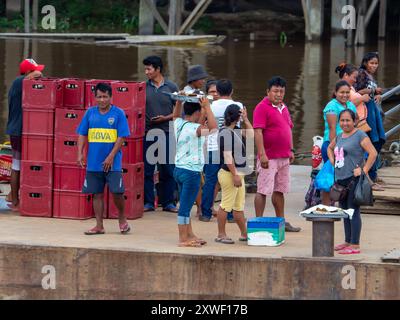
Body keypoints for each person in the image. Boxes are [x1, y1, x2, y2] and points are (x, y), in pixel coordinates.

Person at [77, 83, 131, 235]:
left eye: (105, 97)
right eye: (99, 97)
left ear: (111, 97)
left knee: (117, 192)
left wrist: (111, 157)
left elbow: (121, 137)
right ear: (95, 98)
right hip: (94, 162)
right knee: (97, 194)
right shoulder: (89, 113)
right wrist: (79, 153)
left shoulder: (118, 113)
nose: (102, 100)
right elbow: (82, 133)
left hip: (113, 163)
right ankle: (99, 225)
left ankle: (122, 219)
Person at [253, 76, 300, 232]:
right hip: (269, 157)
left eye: (281, 91)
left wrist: (291, 149)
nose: (279, 94)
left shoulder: (284, 107)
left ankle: (281, 221)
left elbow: (289, 128)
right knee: (263, 190)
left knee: (280, 189)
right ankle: (258, 222)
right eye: (275, 91)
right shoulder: (261, 107)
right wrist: (262, 154)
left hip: (284, 156)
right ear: (268, 91)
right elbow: (258, 132)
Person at [327, 109, 377, 254]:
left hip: (353, 180)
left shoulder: (359, 135)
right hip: (341, 180)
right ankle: (347, 241)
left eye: (348, 120)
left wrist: (364, 169)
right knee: (344, 212)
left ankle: (355, 245)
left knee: (353, 211)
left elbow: (373, 153)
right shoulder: (340, 136)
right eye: (342, 120)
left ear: (355, 121)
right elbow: (330, 148)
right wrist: (331, 159)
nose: (345, 123)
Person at [172, 97, 217, 247]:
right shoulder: (196, 129)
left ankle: (189, 234)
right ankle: (183, 239)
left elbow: (175, 115)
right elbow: (214, 128)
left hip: (178, 170)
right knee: (185, 209)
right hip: (191, 173)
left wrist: (178, 100)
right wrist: (208, 107)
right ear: (197, 113)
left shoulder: (179, 123)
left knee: (186, 203)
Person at [199, 79, 242, 222]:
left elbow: (203, 124)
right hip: (230, 148)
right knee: (230, 180)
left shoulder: (210, 105)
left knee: (210, 181)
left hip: (212, 147)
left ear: (217, 91)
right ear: (232, 91)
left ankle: (205, 214)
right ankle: (230, 215)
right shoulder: (238, 106)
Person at [6, 58, 45, 211]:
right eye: (33, 71)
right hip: (17, 131)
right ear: (28, 72)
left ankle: (12, 195)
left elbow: (39, 74)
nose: (39, 75)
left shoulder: (24, 82)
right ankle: (15, 202)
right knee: (16, 166)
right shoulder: (19, 82)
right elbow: (39, 74)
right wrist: (33, 75)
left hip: (22, 130)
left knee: (22, 165)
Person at [143, 56, 179, 213]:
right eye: (145, 69)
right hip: (148, 133)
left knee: (168, 170)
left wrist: (164, 118)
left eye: (149, 69)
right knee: (147, 170)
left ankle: (168, 202)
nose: (146, 72)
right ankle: (148, 203)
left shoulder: (171, 87)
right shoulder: (143, 87)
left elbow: (178, 112)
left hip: (167, 133)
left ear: (158, 69)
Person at [215, 104, 253, 244]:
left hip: (238, 173)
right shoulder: (225, 133)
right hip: (230, 174)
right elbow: (227, 156)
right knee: (225, 205)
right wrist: (235, 174)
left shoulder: (235, 130)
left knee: (238, 206)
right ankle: (221, 234)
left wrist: (247, 119)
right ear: (237, 117)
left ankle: (244, 233)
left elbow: (250, 135)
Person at [320, 80, 357, 205]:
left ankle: (341, 204)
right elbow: (332, 129)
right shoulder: (331, 106)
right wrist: (335, 150)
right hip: (332, 145)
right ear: (335, 93)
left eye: (347, 92)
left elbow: (355, 124)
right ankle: (326, 207)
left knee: (345, 178)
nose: (345, 95)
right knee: (330, 178)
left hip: (348, 147)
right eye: (342, 92)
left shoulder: (350, 105)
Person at [354, 52, 386, 189]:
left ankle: (372, 173)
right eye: (371, 63)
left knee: (380, 138)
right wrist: (373, 90)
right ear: (365, 62)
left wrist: (378, 94)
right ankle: (370, 175)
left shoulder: (369, 75)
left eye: (376, 63)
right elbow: (357, 91)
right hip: (366, 111)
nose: (374, 65)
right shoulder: (361, 73)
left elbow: (371, 91)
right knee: (372, 140)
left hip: (373, 109)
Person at [335, 63, 370, 129]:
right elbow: (345, 106)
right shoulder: (341, 90)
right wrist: (362, 98)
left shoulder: (350, 87)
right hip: (352, 126)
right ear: (346, 75)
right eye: (354, 77)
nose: (355, 80)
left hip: (359, 123)